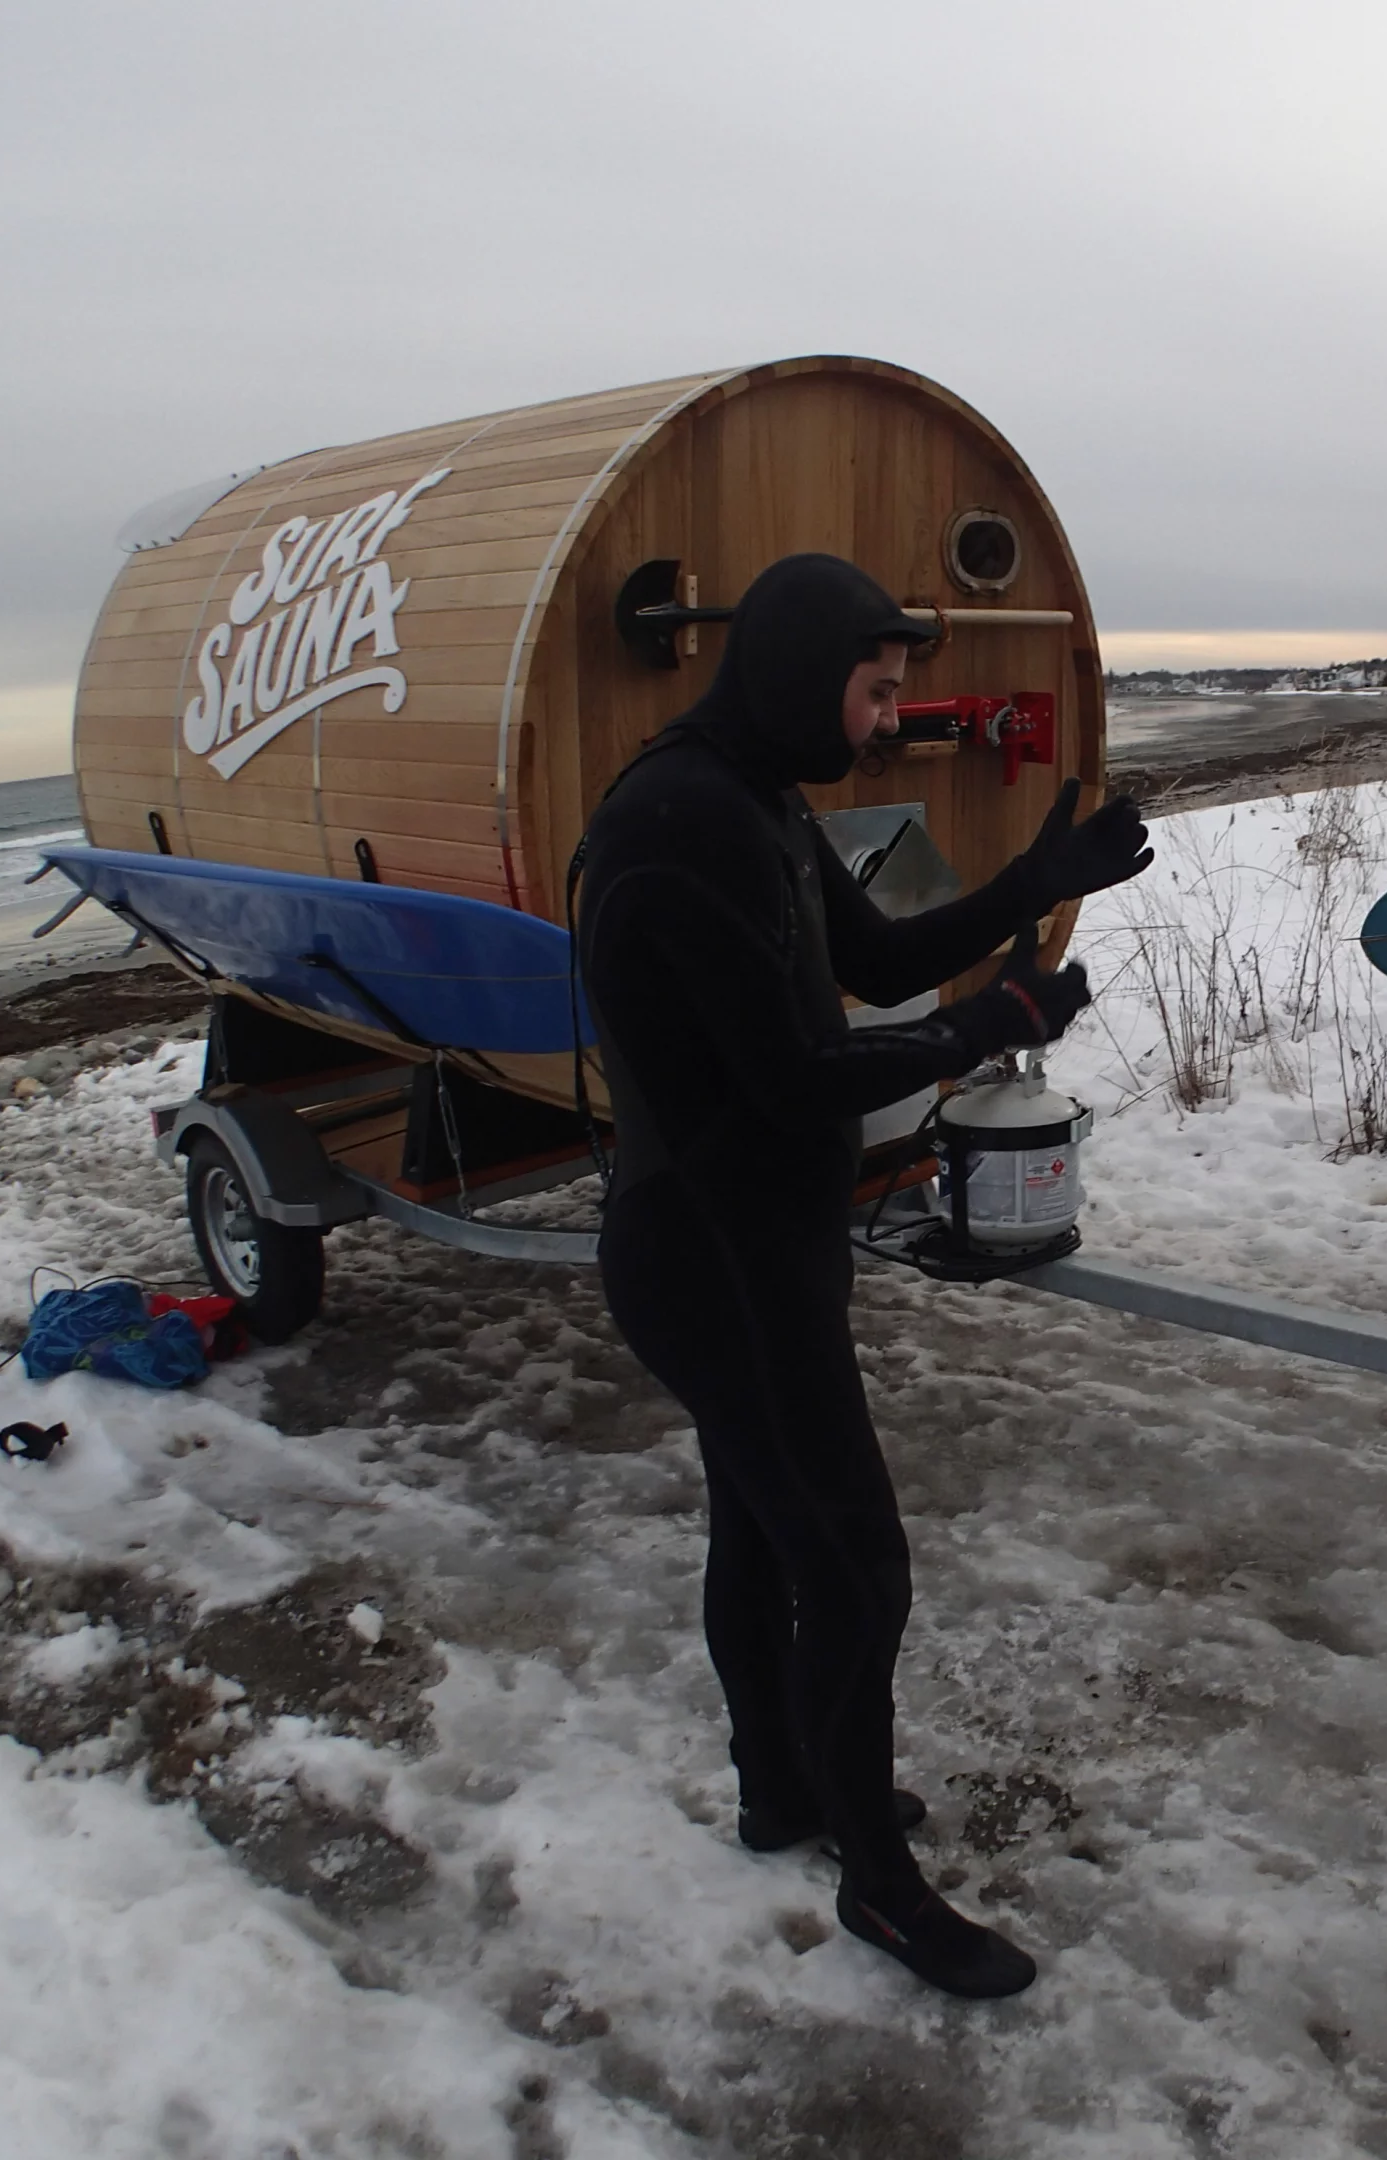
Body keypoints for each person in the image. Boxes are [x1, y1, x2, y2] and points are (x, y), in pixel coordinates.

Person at [576, 553, 1150, 1998]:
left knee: (767, 1534)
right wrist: (985, 1030)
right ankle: (881, 1897)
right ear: (795, 670)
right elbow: (788, 1078)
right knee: (858, 1569)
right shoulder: (678, 824)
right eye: (878, 691)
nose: (891, 720)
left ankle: (784, 1789)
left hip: (754, 1241)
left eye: (896, 693)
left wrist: (1038, 884)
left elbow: (880, 959)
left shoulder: (752, 798)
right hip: (715, 1259)